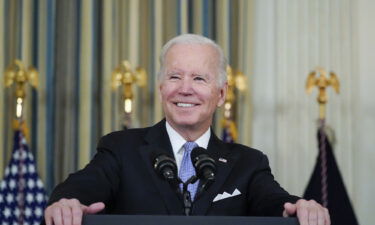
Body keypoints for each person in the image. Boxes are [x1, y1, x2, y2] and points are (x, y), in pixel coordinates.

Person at [44, 34, 330, 225]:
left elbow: (274, 201)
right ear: (160, 88)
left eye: (199, 79)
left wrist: (299, 207)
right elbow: (81, 187)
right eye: (175, 76)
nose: (185, 89)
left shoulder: (248, 163)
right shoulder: (122, 149)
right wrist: (68, 203)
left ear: (220, 94)